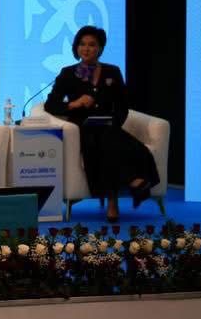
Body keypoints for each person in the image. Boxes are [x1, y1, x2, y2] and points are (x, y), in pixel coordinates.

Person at [43, 25, 159, 222]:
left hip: (109, 126)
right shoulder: (68, 73)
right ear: (76, 47)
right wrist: (74, 104)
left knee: (128, 146)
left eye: (92, 45)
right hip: (82, 129)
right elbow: (51, 104)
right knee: (105, 144)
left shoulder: (112, 71)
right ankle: (128, 188)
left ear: (100, 48)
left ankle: (121, 194)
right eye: (82, 44)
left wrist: (115, 122)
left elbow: (123, 106)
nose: (86, 49)